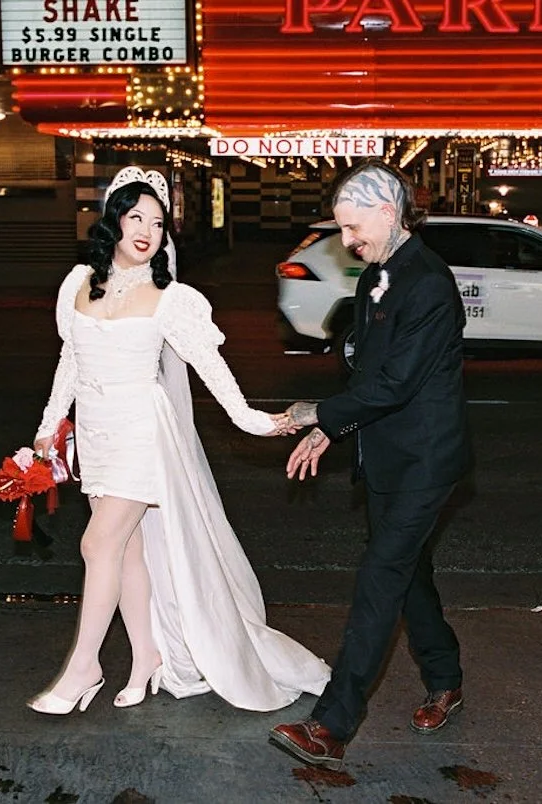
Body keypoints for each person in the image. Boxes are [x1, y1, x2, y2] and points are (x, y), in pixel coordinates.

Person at [27, 166, 330, 716]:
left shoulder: (170, 299)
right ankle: (146, 656)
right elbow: (70, 360)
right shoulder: (78, 284)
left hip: (142, 433)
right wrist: (49, 426)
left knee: (96, 545)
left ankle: (83, 667)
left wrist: (257, 422)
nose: (147, 230)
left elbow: (213, 372)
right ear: (114, 220)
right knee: (128, 551)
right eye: (136, 217)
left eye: (158, 222)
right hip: (95, 434)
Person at [269, 159, 471, 768]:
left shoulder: (428, 282)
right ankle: (447, 679)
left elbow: (398, 384)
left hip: (425, 461)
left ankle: (331, 725)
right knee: (408, 575)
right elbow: (366, 376)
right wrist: (332, 430)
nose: (347, 240)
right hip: (383, 456)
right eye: (342, 228)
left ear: (388, 213)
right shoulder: (374, 277)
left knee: (381, 576)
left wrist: (316, 412)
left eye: (353, 227)